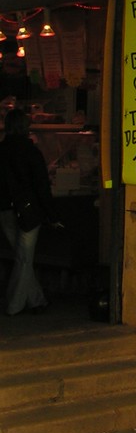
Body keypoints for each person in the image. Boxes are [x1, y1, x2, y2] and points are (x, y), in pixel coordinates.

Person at [0, 108, 61, 316]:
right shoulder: (31, 152)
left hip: (6, 210)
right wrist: (52, 216)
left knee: (21, 256)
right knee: (24, 259)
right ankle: (13, 305)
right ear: (25, 128)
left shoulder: (2, 150)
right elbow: (42, 186)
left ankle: (37, 300)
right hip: (29, 211)